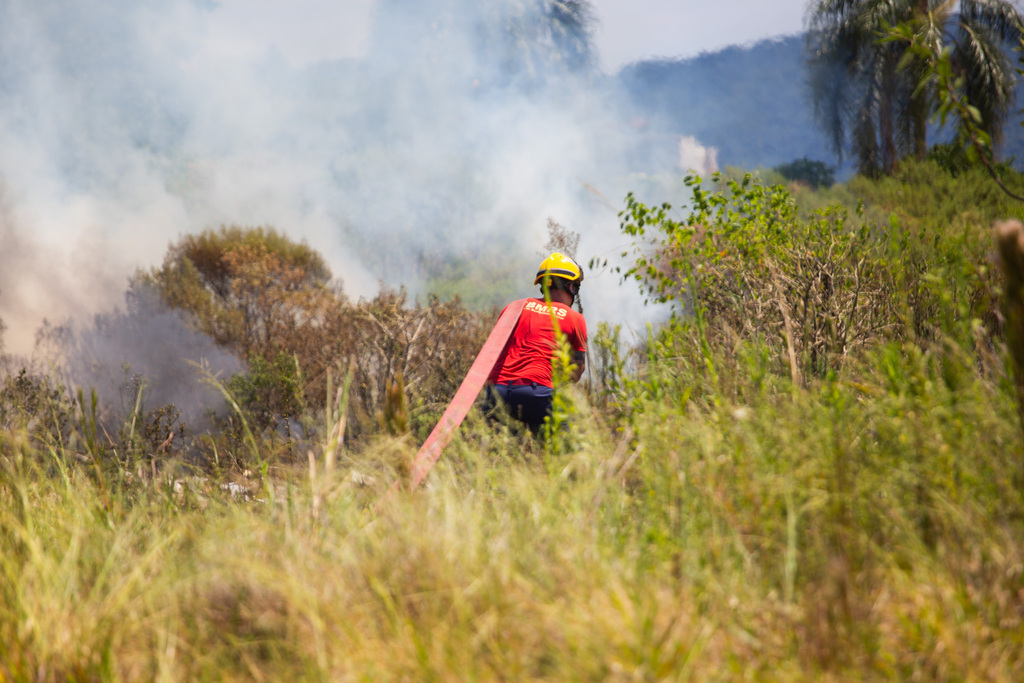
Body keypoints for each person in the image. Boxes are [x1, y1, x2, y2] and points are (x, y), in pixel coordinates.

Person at [486, 252, 587, 434]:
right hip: (537, 393)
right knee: (572, 446)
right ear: (570, 287)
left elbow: (492, 353)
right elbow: (576, 370)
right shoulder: (574, 318)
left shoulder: (514, 307)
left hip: (497, 392)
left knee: (498, 451)